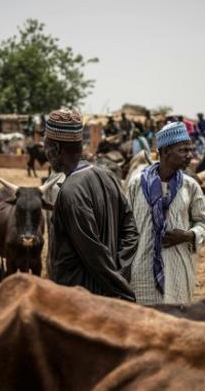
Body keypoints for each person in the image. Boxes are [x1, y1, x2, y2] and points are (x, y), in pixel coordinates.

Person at [46, 109, 138, 301]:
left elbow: (93, 253)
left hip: (79, 300)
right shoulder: (108, 176)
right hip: (105, 293)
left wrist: (121, 289)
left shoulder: (70, 192)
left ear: (55, 148)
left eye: (46, 146)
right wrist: (120, 271)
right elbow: (131, 231)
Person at [127, 122, 205, 305]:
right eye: (183, 150)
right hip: (142, 273)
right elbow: (125, 226)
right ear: (165, 152)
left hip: (178, 272)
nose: (190, 155)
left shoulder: (190, 186)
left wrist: (188, 235)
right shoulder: (136, 184)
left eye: (191, 150)